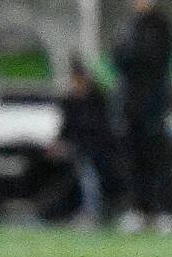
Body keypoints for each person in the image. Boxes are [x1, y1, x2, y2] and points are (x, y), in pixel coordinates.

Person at [113, 0, 172, 232]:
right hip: (132, 105)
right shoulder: (131, 27)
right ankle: (138, 209)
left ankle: (159, 209)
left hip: (152, 105)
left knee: (155, 158)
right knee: (134, 159)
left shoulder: (158, 28)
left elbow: (143, 61)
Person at [48, 60, 119, 226]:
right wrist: (59, 143)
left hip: (98, 149)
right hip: (80, 148)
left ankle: (92, 212)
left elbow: (102, 129)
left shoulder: (99, 100)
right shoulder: (71, 102)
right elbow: (67, 127)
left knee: (89, 176)